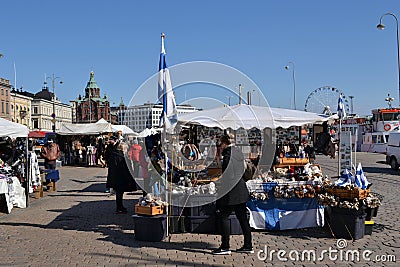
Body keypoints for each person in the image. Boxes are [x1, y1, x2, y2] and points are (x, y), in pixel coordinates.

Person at [212, 134, 253, 255]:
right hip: (241, 189)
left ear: (224, 143)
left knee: (223, 216)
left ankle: (225, 246)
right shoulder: (238, 152)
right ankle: (248, 245)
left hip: (232, 192)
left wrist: (219, 183)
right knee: (243, 218)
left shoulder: (228, 155)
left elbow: (228, 175)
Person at [105, 137, 137, 214]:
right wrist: (129, 178)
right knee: (119, 193)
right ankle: (119, 207)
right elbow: (126, 168)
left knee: (119, 193)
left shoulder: (114, 155)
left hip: (115, 177)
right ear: (123, 149)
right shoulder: (122, 157)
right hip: (121, 177)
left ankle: (120, 206)